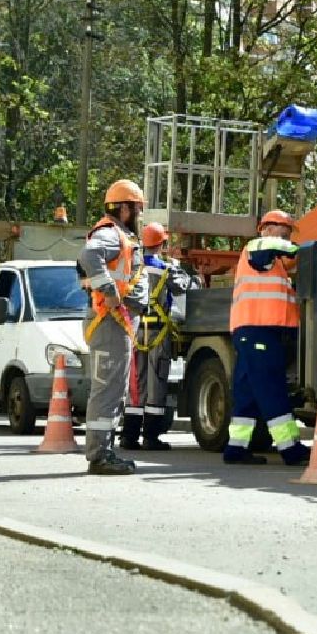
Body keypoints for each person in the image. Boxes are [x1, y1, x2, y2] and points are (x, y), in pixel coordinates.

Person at [224, 210, 310, 466]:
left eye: (288, 233)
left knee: (247, 394)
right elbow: (273, 247)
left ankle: (235, 449)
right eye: (283, 230)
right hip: (259, 332)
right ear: (267, 228)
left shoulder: (272, 261)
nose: (286, 236)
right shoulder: (258, 246)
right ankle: (290, 448)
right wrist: (303, 249)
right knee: (272, 389)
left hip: (252, 333)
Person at [76, 179, 150, 476]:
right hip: (109, 321)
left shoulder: (123, 237)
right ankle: (99, 455)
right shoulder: (110, 234)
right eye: (137, 208)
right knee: (107, 391)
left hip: (115, 324)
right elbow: (88, 255)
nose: (140, 215)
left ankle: (103, 452)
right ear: (124, 208)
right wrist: (108, 289)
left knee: (113, 390)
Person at [122, 221, 194, 451]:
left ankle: (129, 436)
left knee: (135, 385)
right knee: (156, 384)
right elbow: (184, 287)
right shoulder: (167, 268)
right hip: (157, 332)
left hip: (134, 331)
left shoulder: (132, 266)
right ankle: (151, 437)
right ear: (162, 244)